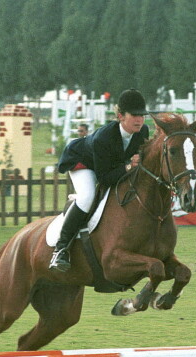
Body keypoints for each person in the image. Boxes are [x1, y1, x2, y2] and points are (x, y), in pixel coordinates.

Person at [51, 88, 150, 272]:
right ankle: (61, 248)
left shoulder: (143, 131)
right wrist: (129, 166)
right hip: (82, 162)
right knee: (87, 196)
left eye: (142, 115)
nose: (140, 119)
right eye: (134, 115)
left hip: (111, 166)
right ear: (120, 116)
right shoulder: (104, 138)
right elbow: (104, 178)